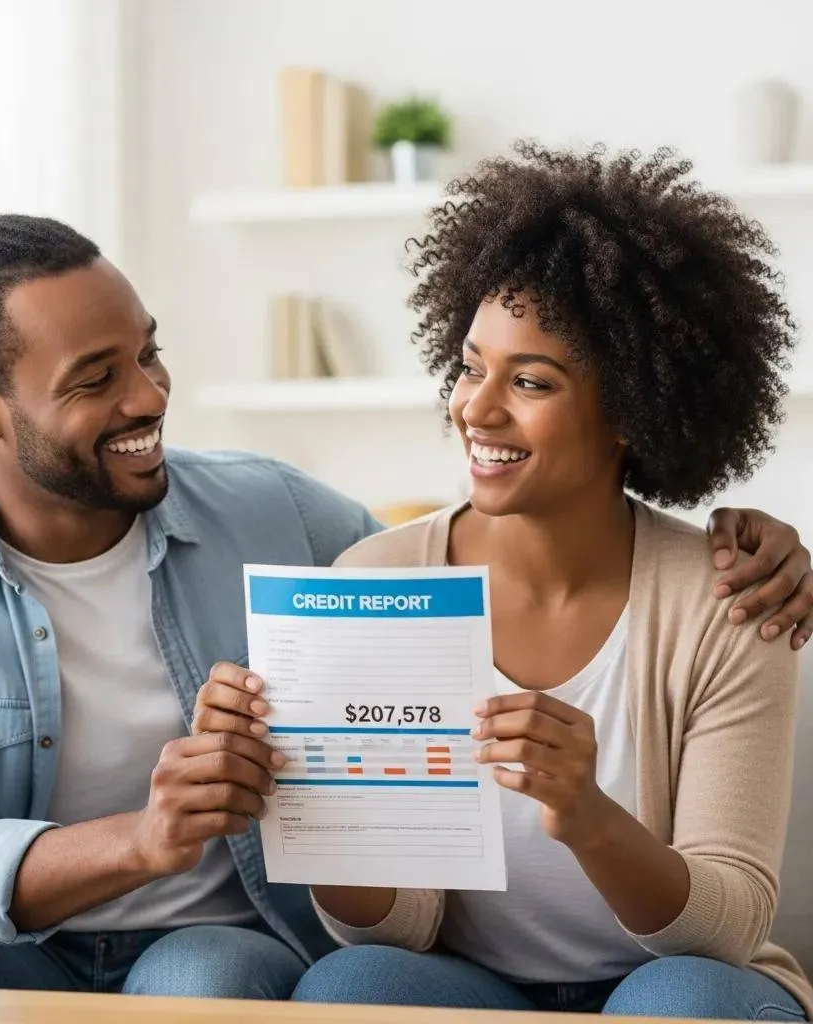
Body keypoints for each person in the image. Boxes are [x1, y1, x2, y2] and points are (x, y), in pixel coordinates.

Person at [0, 212, 810, 999]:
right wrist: (145, 839)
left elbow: (472, 550)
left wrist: (759, 544)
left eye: (148, 354)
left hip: (215, 938)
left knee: (220, 982)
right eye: (95, 379)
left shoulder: (272, 510)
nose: (150, 396)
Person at [191, 144, 813, 1018]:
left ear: (632, 410)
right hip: (472, 983)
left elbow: (729, 925)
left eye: (530, 381)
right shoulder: (376, 580)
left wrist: (587, 814)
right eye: (471, 366)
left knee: (686, 1003)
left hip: (678, 980)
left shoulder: (729, 599)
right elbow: (395, 930)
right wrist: (298, 800)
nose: (478, 409)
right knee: (350, 987)